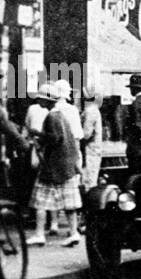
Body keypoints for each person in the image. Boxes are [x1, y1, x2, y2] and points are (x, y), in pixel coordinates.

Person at [31, 83, 82, 247]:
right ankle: (73, 233)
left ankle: (39, 234)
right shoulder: (61, 115)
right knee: (70, 202)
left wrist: (38, 135)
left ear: (47, 100)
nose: (38, 101)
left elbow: (55, 138)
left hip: (54, 165)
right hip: (67, 164)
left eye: (41, 98)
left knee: (40, 199)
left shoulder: (51, 116)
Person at [81, 85, 104, 191]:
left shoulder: (90, 111)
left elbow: (86, 134)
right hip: (94, 149)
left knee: (89, 181)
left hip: (90, 150)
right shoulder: (94, 110)